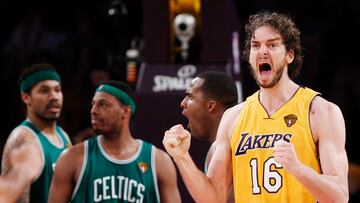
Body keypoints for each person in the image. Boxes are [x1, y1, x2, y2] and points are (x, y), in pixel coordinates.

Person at [163, 11, 349, 203]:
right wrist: (182, 156)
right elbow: (214, 198)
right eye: (255, 45)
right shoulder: (233, 117)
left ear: (290, 55)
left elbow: (340, 197)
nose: (263, 51)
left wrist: (298, 169)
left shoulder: (320, 111)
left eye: (272, 45)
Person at [48, 80, 181, 203]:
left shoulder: (158, 161)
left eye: (103, 104)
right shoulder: (72, 158)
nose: (93, 111)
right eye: (93, 104)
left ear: (125, 111)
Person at [1, 63, 71, 203]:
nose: (54, 97)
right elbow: (9, 195)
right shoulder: (23, 138)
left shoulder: (63, 136)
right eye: (44, 91)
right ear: (26, 97)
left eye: (57, 90)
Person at [180, 71, 238, 202]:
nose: (182, 103)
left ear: (211, 106)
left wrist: (180, 156)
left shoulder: (223, 147)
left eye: (189, 96)